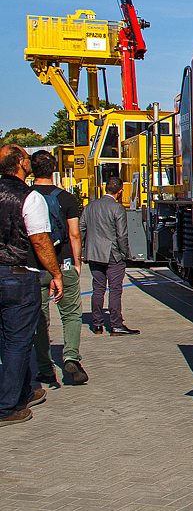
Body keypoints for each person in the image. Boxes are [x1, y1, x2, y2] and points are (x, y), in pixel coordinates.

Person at [0, 145, 63, 426]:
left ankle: (23, 391)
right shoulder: (30, 197)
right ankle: (7, 406)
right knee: (18, 341)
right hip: (18, 274)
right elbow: (39, 240)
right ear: (22, 163)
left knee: (8, 340)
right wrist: (55, 273)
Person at [29, 151, 87, 386]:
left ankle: (45, 367)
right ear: (55, 169)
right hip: (63, 263)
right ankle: (71, 356)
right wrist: (77, 261)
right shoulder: (67, 198)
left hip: (35, 267)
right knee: (71, 314)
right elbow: (74, 233)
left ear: (32, 169)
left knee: (40, 318)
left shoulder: (26, 197)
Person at [79, 176, 138, 335]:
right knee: (115, 289)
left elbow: (81, 229)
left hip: (93, 253)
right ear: (120, 191)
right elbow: (122, 235)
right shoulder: (117, 208)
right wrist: (125, 253)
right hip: (112, 254)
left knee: (97, 288)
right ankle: (116, 324)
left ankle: (97, 324)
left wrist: (84, 249)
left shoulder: (90, 206)